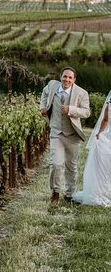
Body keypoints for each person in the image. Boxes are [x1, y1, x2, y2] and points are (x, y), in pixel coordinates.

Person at [40, 67, 90, 204]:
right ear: (60, 77)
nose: (66, 79)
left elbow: (86, 112)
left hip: (72, 135)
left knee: (71, 166)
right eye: (64, 76)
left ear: (74, 80)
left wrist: (71, 110)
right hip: (56, 132)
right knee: (55, 164)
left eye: (70, 78)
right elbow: (44, 95)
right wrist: (42, 107)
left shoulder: (82, 93)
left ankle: (70, 194)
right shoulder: (52, 85)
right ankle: (55, 192)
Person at [73, 96, 111, 206]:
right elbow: (105, 120)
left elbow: (105, 120)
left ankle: (103, 190)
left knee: (105, 166)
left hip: (109, 136)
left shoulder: (109, 104)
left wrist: (100, 133)